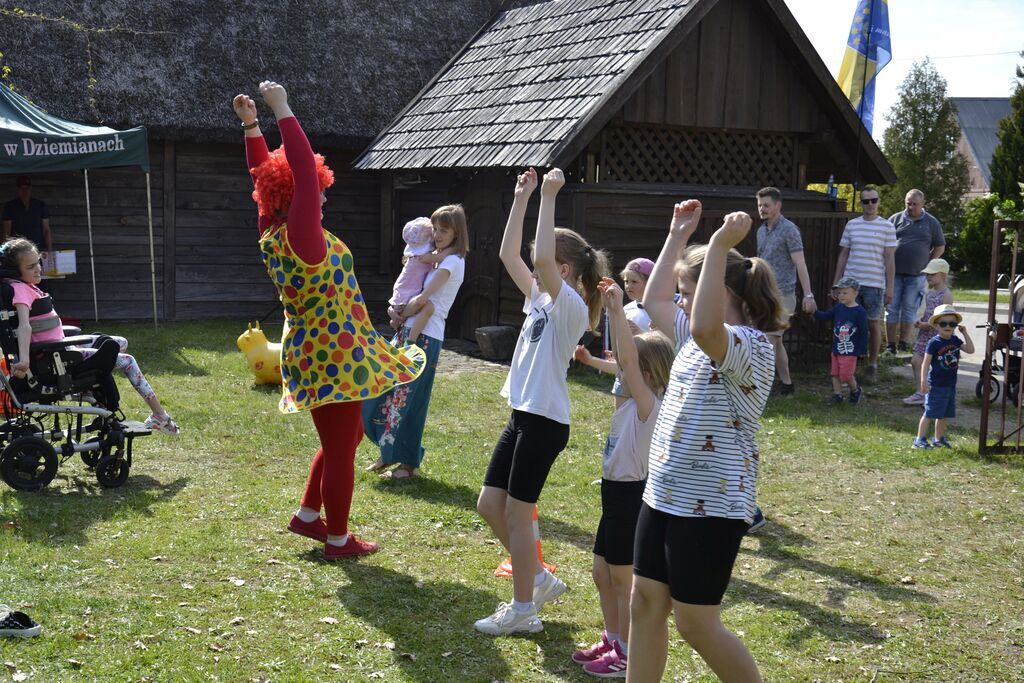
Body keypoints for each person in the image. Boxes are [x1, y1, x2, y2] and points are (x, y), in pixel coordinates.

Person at [234, 81, 425, 559]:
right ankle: (338, 539)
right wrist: (281, 109)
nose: (322, 198)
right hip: (333, 353)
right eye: (316, 192)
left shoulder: (272, 229)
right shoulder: (304, 234)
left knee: (349, 435)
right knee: (342, 449)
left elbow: (264, 177)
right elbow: (295, 166)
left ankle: (308, 516)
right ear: (299, 195)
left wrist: (252, 127)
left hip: (317, 346)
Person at [628, 200, 784, 683]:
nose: (680, 302)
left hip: (711, 506)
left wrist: (717, 243)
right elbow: (652, 307)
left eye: (689, 292)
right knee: (645, 603)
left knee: (696, 624)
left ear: (720, 292)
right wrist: (678, 234)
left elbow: (704, 324)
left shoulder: (750, 347)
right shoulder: (696, 341)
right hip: (664, 493)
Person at [474, 167, 609, 636]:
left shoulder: (570, 306)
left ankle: (524, 609)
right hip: (522, 416)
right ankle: (539, 578)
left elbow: (543, 259)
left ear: (565, 271)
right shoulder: (538, 298)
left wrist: (551, 196)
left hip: (545, 421)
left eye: (547, 263)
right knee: (490, 505)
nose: (536, 268)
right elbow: (509, 252)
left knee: (516, 510)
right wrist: (523, 195)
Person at [572, 278, 674, 678]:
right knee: (602, 573)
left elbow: (628, 363)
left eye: (632, 370)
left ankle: (629, 651)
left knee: (621, 577)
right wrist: (617, 322)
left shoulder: (652, 404)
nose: (622, 372)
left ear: (650, 374)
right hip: (614, 496)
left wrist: (616, 311)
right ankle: (613, 637)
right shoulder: (631, 398)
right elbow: (624, 363)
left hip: (633, 496)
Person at [1, 237, 178, 434]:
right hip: (56, 359)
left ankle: (89, 388)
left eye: (38, 263)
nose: (38, 269)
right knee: (128, 361)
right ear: (16, 271)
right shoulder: (20, 290)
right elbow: (25, 327)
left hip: (60, 350)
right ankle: (159, 416)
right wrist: (24, 360)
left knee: (121, 342)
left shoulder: (25, 286)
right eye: (31, 266)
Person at [362, 204, 469, 480]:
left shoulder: (452, 263)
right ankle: (388, 454)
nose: (437, 234)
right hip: (409, 331)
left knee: (407, 399)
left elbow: (424, 300)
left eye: (444, 230)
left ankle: (407, 463)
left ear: (457, 232)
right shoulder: (437, 258)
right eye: (435, 229)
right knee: (386, 391)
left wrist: (398, 313)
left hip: (425, 336)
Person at [831, 186, 896, 383]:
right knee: (846, 322)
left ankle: (872, 364)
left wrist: (890, 287)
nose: (870, 205)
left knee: (873, 324)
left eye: (873, 200)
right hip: (851, 283)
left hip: (875, 283)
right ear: (860, 203)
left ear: (879, 201)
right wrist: (836, 282)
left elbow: (890, 259)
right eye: (866, 201)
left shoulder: (887, 226)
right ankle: (847, 363)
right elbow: (843, 254)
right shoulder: (852, 225)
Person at [755, 187, 816, 395]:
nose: (762, 209)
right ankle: (787, 385)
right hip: (764, 292)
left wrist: (808, 295)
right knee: (776, 341)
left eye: (766, 205)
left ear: (778, 206)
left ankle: (758, 388)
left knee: (768, 341)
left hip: (784, 295)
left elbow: (800, 263)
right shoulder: (761, 230)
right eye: (760, 205)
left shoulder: (789, 230)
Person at [886, 189, 945, 355]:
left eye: (915, 204)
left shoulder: (931, 222)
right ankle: (890, 346)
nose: (911, 207)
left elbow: (940, 246)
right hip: (894, 273)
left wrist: (929, 263)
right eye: (908, 203)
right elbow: (884, 242)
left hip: (917, 275)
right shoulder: (895, 219)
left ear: (923, 204)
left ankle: (903, 344)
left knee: (909, 308)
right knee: (891, 308)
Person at [913, 305, 974, 449]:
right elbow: (926, 363)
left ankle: (938, 439)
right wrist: (923, 381)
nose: (948, 326)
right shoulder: (934, 342)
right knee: (929, 413)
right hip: (935, 384)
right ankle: (919, 439)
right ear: (936, 325)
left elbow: (971, 350)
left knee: (944, 414)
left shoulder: (955, 340)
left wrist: (965, 333)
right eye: (943, 323)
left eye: (952, 324)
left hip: (950, 384)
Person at [386, 216, 456, 342]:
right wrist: (451, 249)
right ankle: (411, 339)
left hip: (401, 296)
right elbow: (440, 257)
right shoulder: (422, 257)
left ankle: (395, 322)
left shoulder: (414, 256)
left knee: (402, 314)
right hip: (405, 298)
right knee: (428, 307)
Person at [903, 259, 953, 405]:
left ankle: (935, 394)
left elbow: (946, 318)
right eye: (928, 274)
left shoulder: (946, 294)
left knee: (937, 367)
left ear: (943, 275)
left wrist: (929, 324)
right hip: (925, 334)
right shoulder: (929, 293)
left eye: (933, 274)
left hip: (938, 335)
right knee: (915, 361)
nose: (929, 276)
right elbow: (926, 311)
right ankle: (921, 392)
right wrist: (920, 319)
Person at [814, 276, 868, 404]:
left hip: (851, 350)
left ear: (855, 293)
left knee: (846, 375)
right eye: (839, 293)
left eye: (845, 293)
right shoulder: (838, 307)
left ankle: (855, 390)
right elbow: (826, 315)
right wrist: (814, 311)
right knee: (835, 373)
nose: (841, 296)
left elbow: (864, 332)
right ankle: (837, 395)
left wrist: (862, 349)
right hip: (836, 348)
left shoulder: (860, 312)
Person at [2, 177, 52, 252]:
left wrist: (49, 250)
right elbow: (7, 232)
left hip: (37, 249)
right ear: (18, 189)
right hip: (18, 250)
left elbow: (46, 230)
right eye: (22, 188)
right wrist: (5, 253)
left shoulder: (40, 205)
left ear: (30, 188)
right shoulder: (10, 206)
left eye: (27, 188)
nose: (24, 191)